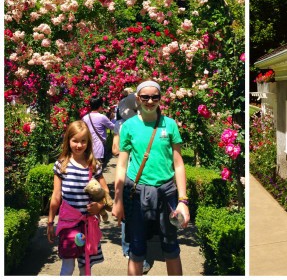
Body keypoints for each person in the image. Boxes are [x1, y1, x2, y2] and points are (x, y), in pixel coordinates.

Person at [112, 80, 190, 276]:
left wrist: (183, 200)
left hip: (166, 191)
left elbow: (178, 164)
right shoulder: (128, 126)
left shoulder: (170, 125)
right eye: (145, 97)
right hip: (137, 192)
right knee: (136, 247)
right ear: (138, 99)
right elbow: (121, 165)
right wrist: (118, 200)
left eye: (155, 96)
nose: (150, 101)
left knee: (171, 245)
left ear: (160, 99)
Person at [47, 120, 108, 276]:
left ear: (88, 142)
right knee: (67, 265)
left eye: (83, 141)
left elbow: (106, 191)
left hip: (88, 225)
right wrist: (50, 222)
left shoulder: (93, 165)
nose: (79, 145)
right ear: (68, 140)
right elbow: (56, 196)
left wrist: (99, 207)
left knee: (85, 266)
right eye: (75, 140)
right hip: (69, 225)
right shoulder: (61, 165)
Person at [112, 91, 151, 274]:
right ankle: (131, 252)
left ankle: (134, 251)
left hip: (140, 176)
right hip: (128, 175)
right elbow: (115, 150)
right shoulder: (125, 125)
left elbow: (113, 149)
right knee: (129, 216)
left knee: (138, 216)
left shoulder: (144, 123)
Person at [82, 96, 115, 170]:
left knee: (89, 169)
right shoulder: (102, 117)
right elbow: (113, 127)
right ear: (100, 106)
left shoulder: (85, 117)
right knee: (98, 170)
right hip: (99, 147)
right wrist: (113, 119)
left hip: (88, 146)